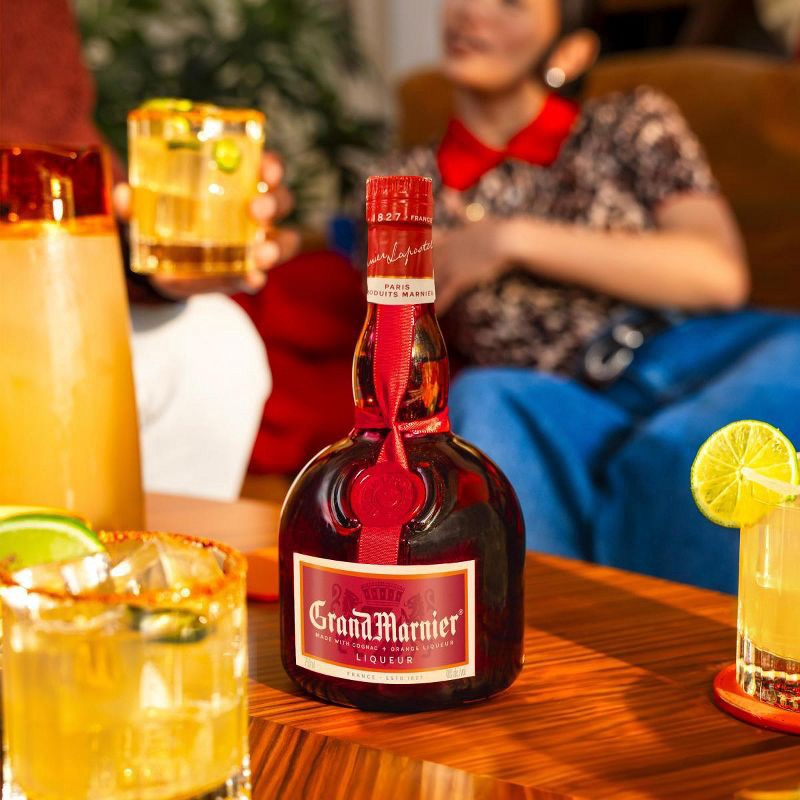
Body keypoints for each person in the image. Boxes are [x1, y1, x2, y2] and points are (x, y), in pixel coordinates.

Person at [380, 0, 800, 592]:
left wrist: (511, 239)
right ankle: (558, 620)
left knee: (695, 445)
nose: (470, 13)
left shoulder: (629, 122)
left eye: (510, 3)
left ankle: (650, 610)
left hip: (709, 356)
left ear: (570, 51)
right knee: (481, 399)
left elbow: (718, 273)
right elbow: (390, 338)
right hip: (560, 401)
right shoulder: (405, 183)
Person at [0, 0, 297, 501]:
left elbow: (56, 148)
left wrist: (142, 263)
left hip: (28, 272)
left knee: (215, 345)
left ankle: (137, 551)